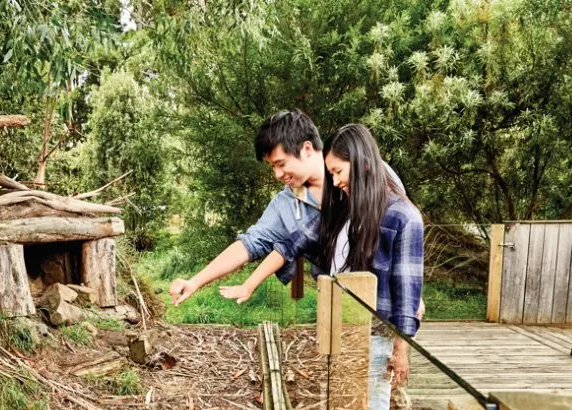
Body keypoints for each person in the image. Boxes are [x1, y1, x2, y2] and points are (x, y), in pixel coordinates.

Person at [218, 123, 424, 410]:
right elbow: (287, 245)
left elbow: (407, 292)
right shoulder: (343, 209)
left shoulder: (402, 216)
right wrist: (248, 284)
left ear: (362, 165)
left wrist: (402, 350)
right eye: (331, 173)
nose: (334, 180)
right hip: (344, 329)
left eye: (339, 172)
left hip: (378, 335)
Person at [168, 110, 405, 306]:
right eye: (272, 166)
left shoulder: (366, 168)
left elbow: (403, 225)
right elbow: (250, 243)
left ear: (307, 149)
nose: (277, 174)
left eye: (280, 164)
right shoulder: (285, 205)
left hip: (385, 299)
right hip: (338, 303)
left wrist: (410, 294)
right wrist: (195, 281)